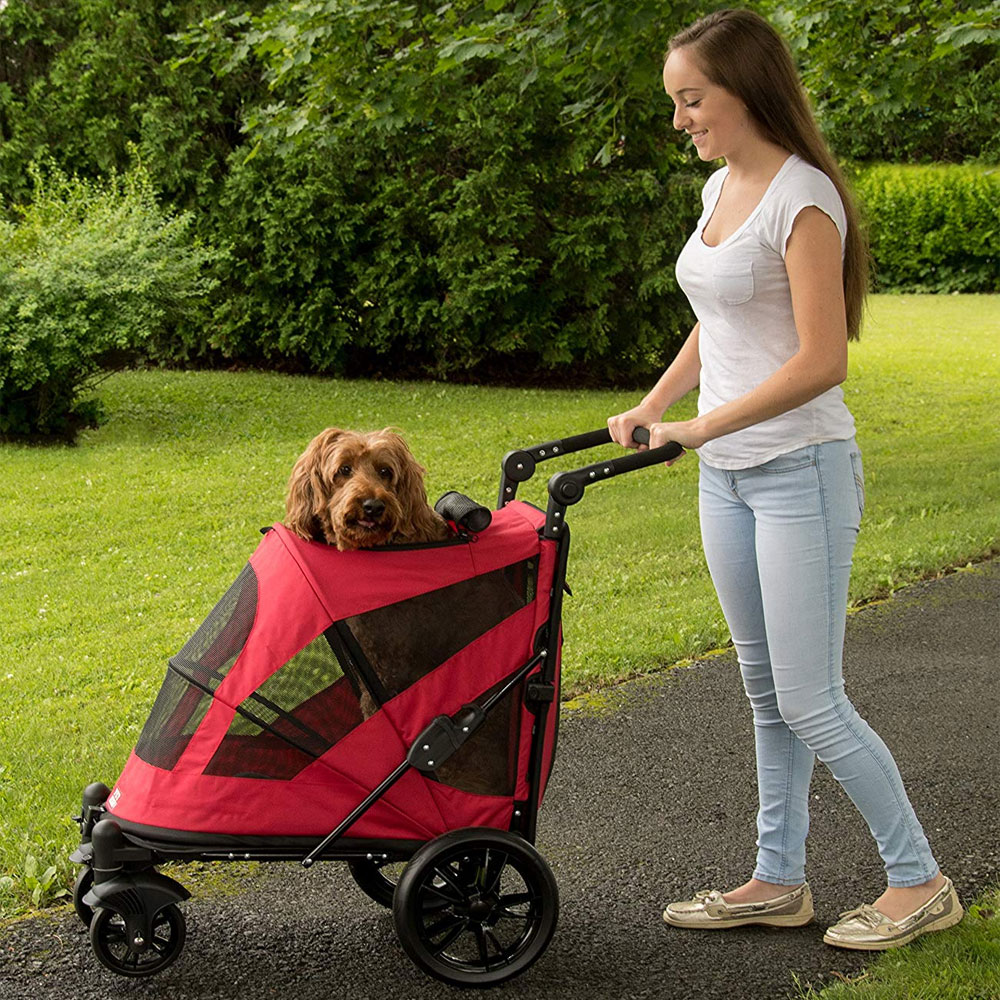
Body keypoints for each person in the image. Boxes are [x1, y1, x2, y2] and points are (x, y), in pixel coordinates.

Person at [607, 8, 962, 950]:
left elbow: (822, 359)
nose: (680, 119)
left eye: (692, 100)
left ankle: (919, 879)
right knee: (765, 692)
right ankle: (780, 878)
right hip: (725, 479)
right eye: (675, 103)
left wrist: (698, 427)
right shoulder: (725, 188)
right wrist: (655, 406)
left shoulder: (801, 196)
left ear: (746, 90)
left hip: (800, 470)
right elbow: (714, 322)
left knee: (812, 697)